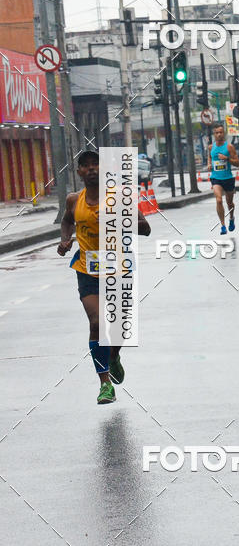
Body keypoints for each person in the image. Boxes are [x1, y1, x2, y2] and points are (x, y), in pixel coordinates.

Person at [57, 151, 151, 405]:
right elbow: (66, 222)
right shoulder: (73, 200)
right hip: (87, 268)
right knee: (97, 322)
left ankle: (113, 356)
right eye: (85, 166)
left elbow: (145, 228)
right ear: (79, 172)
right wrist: (65, 239)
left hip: (118, 267)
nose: (91, 169)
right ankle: (105, 384)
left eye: (95, 164)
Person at [209, 123, 239, 234]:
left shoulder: (229, 147)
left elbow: (237, 163)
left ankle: (231, 218)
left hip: (228, 178)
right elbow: (210, 157)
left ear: (224, 133)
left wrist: (227, 158)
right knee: (218, 200)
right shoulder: (211, 147)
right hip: (216, 178)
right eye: (217, 133)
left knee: (230, 203)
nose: (219, 134)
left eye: (221, 132)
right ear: (214, 134)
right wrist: (209, 164)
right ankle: (222, 225)